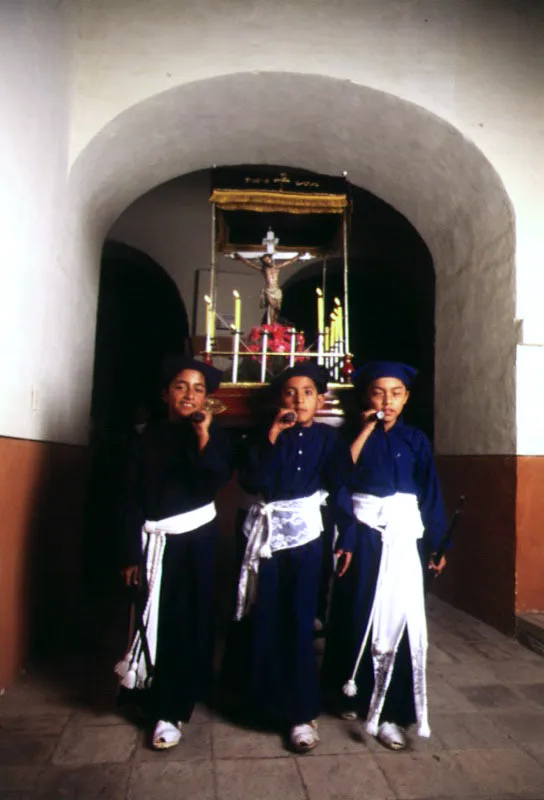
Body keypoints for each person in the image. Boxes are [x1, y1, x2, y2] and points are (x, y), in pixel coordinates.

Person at [323, 360, 447, 750]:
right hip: (363, 537)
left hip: (403, 539)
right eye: (378, 392)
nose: (387, 401)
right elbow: (338, 481)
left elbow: (430, 494)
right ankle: (349, 692)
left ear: (407, 397)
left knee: (401, 619)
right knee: (355, 610)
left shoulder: (416, 441)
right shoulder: (352, 437)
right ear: (366, 396)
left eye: (396, 393)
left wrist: (437, 544)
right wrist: (366, 428)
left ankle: (393, 711)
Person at [233, 362, 356, 753]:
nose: (298, 399)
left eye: (307, 392)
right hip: (268, 536)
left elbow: (341, 490)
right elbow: (253, 481)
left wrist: (346, 537)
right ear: (279, 399)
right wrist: (271, 435)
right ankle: (264, 706)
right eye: (290, 392)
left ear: (320, 400)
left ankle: (302, 712)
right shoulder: (263, 436)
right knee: (265, 615)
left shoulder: (329, 441)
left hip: (307, 539)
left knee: (300, 620)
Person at [115, 356, 231, 749]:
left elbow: (213, 478)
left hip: (195, 541)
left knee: (188, 621)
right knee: (153, 620)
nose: (189, 395)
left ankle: (173, 708)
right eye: (181, 386)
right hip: (154, 543)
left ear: (208, 400)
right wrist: (131, 552)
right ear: (166, 392)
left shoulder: (213, 437)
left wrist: (204, 436)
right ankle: (149, 694)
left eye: (199, 389)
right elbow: (130, 498)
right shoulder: (144, 439)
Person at [233, 251, 302, 324]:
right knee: (272, 306)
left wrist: (299, 256)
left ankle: (274, 322)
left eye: (268, 259)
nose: (267, 261)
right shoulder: (263, 269)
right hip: (269, 290)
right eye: (265, 260)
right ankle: (271, 323)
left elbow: (290, 261)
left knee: (277, 308)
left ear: (271, 259)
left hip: (276, 290)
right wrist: (240, 257)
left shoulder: (277, 267)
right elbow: (249, 264)